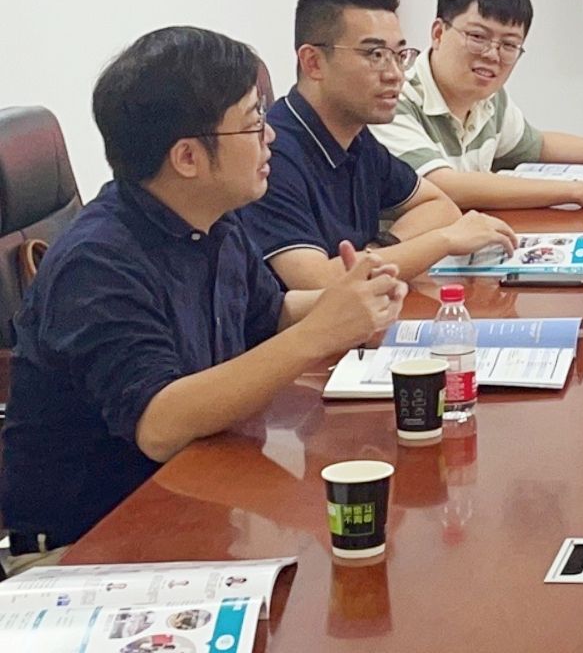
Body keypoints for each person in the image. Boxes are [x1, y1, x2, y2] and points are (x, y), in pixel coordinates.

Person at [0, 28, 410, 562]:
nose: (271, 137)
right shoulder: (97, 263)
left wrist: (352, 301)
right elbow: (159, 423)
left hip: (193, 498)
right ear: (188, 157)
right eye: (253, 122)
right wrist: (318, 334)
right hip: (88, 547)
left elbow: (268, 314)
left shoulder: (213, 219)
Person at [242, 0, 518, 289]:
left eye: (399, 55)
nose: (395, 74)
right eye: (375, 55)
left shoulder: (356, 137)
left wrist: (378, 249)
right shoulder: (271, 155)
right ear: (313, 62)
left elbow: (439, 206)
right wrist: (444, 240)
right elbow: (318, 282)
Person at [371, 0, 583, 210]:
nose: (492, 55)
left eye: (509, 45)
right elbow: (441, 185)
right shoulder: (393, 97)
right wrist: (576, 191)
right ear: (438, 33)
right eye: (478, 37)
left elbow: (537, 146)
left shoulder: (489, 98)